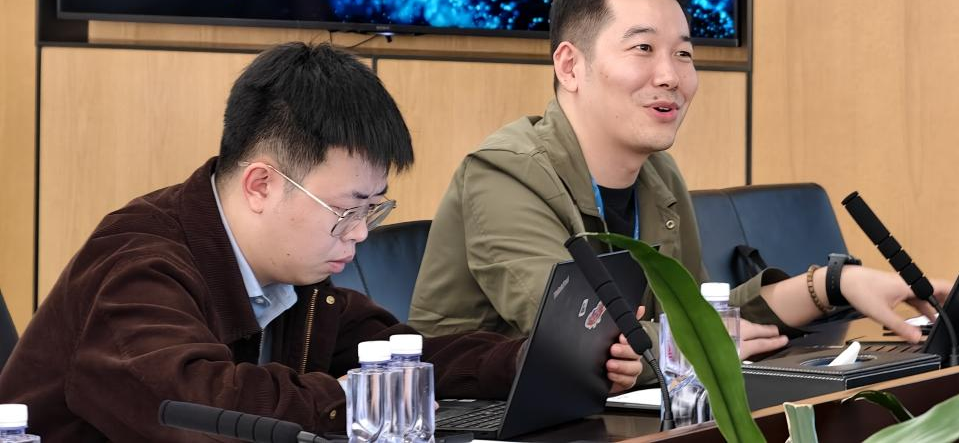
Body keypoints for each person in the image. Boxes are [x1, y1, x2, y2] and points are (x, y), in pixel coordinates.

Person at [0, 42, 639, 442]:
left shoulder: (292, 275)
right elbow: (195, 406)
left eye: (372, 209)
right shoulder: (138, 264)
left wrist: (532, 363)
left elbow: (398, 353)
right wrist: (369, 399)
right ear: (260, 185)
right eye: (345, 210)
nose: (359, 232)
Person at [409, 0, 947, 358]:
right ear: (570, 67)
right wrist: (702, 344)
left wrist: (833, 285)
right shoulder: (503, 173)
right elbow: (580, 335)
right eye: (643, 48)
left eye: (684, 53)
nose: (671, 75)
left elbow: (700, 318)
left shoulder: (657, 174)